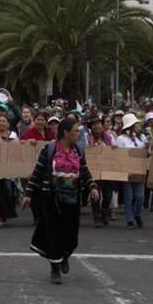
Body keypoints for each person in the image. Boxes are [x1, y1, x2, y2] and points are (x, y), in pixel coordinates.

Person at [24, 118, 99, 285]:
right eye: (74, 131)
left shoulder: (79, 150)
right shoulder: (49, 149)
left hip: (72, 198)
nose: (77, 134)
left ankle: (65, 255)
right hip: (51, 198)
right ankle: (55, 268)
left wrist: (92, 186)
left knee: (72, 236)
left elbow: (85, 170)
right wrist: (28, 193)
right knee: (54, 233)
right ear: (65, 133)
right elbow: (37, 171)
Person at [116, 113, 147, 229]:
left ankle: (137, 214)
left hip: (140, 170)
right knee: (129, 196)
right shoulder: (121, 139)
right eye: (136, 124)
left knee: (140, 196)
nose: (139, 126)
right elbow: (119, 154)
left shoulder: (142, 138)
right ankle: (130, 218)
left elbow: (145, 151)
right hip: (127, 170)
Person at [0, 114, 19, 228]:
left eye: (4, 121)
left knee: (8, 192)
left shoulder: (13, 135)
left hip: (9, 168)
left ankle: (6, 214)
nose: (1, 123)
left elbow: (19, 149)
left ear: (8, 124)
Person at [85, 116, 115, 227]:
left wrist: (115, 149)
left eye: (98, 124)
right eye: (94, 125)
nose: (96, 126)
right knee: (95, 193)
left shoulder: (110, 138)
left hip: (108, 170)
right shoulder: (87, 138)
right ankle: (96, 216)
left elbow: (115, 151)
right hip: (94, 171)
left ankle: (105, 211)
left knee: (108, 195)